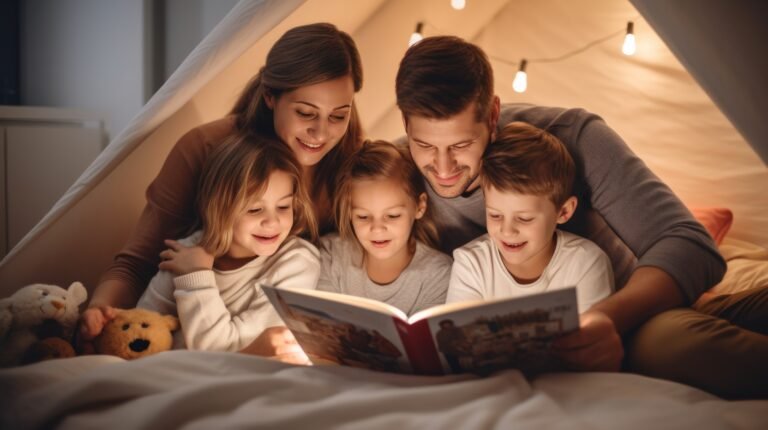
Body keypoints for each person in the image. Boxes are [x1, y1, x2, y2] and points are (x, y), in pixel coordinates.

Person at [394, 35, 731, 379]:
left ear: (493, 114)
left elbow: (692, 246)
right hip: (521, 359)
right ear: (405, 125)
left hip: (642, 315)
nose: (444, 167)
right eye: (423, 145)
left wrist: (607, 319)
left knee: (680, 348)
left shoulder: (572, 136)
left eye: (461, 145)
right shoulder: (392, 174)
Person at [79, 23, 364, 359]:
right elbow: (139, 263)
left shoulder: (351, 166)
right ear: (270, 95)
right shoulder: (204, 148)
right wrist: (101, 309)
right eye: (305, 113)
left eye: (338, 116)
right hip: (195, 338)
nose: (320, 132)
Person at [136, 135, 320, 357]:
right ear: (220, 207)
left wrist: (196, 278)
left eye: (283, 206)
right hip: (170, 373)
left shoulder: (297, 263)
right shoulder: (186, 253)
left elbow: (227, 353)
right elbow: (139, 330)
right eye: (254, 210)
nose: (272, 222)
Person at [447, 122, 614, 315]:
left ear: (563, 212)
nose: (507, 231)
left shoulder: (585, 264)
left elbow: (591, 340)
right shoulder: (470, 263)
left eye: (525, 218)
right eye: (495, 215)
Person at [317, 141, 452, 315]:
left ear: (420, 206)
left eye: (393, 215)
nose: (377, 229)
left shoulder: (438, 274)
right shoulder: (331, 257)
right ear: (349, 213)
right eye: (363, 217)